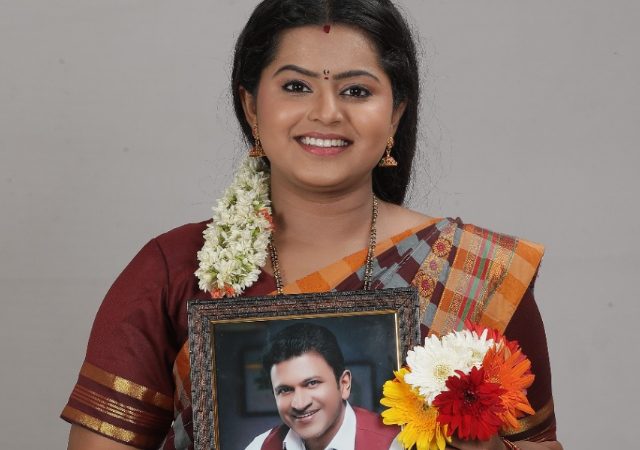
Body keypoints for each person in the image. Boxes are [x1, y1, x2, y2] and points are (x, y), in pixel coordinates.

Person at [62, 1, 563, 449]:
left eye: (357, 90)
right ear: (252, 106)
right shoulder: (171, 269)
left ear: (395, 115)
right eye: (296, 86)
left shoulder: (478, 273)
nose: (326, 112)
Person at [245, 322, 401, 450]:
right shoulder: (259, 447)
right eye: (285, 390)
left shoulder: (395, 444)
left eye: (312, 383)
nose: (299, 404)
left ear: (344, 384)